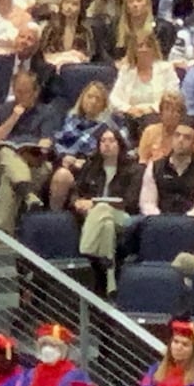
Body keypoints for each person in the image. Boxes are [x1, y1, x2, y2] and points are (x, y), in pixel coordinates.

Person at [0, 71, 57, 232]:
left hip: (34, 166)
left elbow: (47, 143)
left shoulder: (46, 113)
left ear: (35, 92)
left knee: (8, 183)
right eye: (17, 91)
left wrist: (43, 145)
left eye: (25, 92)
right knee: (5, 151)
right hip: (1, 163)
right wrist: (12, 119)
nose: (20, 96)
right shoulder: (3, 110)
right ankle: (26, 191)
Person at [73, 125, 143, 292]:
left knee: (102, 207)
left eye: (111, 140)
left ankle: (86, 249)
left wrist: (97, 204)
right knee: (107, 226)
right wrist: (77, 202)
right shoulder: (91, 168)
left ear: (120, 144)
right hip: (95, 219)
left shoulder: (134, 169)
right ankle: (110, 277)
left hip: (123, 216)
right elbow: (76, 192)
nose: (106, 144)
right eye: (103, 141)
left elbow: (131, 202)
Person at [138, 116, 194, 219]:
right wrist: (161, 222)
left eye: (187, 137)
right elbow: (147, 204)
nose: (180, 140)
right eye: (177, 135)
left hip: (192, 226)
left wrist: (180, 224)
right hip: (158, 224)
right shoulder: (154, 167)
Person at [110, 32, 182, 138]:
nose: (144, 49)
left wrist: (152, 109)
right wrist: (129, 109)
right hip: (130, 116)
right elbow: (114, 98)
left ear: (154, 49)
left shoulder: (166, 69)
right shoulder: (126, 71)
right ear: (134, 50)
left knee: (149, 122)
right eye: (140, 46)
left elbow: (173, 96)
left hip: (157, 116)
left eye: (148, 45)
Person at [39, 0, 92, 67]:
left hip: (77, 68)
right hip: (52, 67)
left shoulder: (85, 31)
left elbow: (87, 56)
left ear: (81, 8)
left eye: (74, 4)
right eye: (66, 2)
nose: (69, 7)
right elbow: (44, 53)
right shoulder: (51, 28)